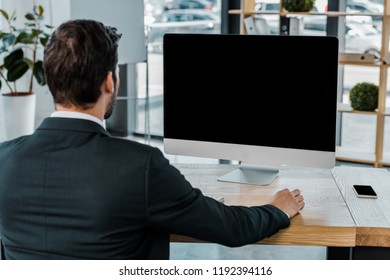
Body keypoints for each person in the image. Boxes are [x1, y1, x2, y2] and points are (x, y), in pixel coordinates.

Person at [0, 19, 304, 260]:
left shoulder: (4, 159)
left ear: (50, 79)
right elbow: (229, 228)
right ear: (109, 80)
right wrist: (276, 209)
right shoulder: (139, 166)